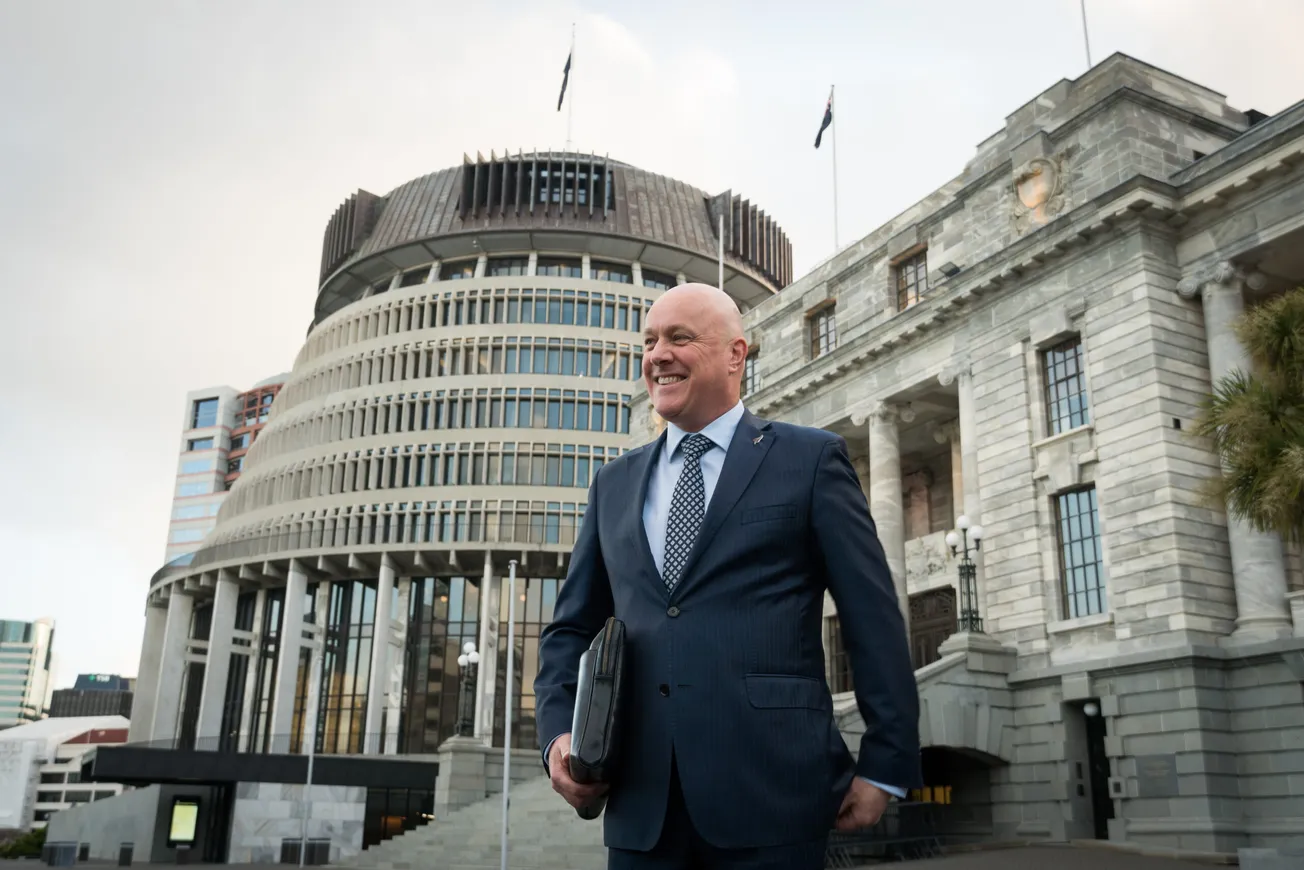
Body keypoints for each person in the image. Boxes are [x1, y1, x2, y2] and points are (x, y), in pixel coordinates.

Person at [534, 282, 921, 868]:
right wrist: (560, 738)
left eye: (679, 338)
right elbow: (570, 630)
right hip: (641, 809)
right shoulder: (611, 484)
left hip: (772, 796)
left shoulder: (810, 460)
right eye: (650, 341)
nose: (658, 354)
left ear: (736, 354)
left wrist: (886, 763)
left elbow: (873, 619)